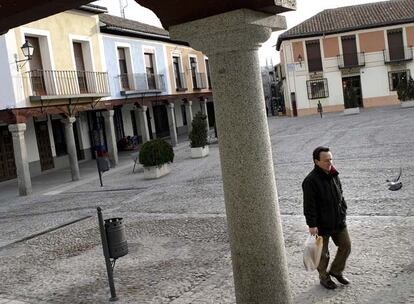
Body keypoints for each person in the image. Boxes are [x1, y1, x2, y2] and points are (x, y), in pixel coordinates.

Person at [302, 146, 351, 289]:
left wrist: (343, 211)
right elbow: (309, 206)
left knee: (346, 246)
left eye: (331, 159)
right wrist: (312, 225)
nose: (330, 162)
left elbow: (340, 194)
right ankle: (324, 277)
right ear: (316, 161)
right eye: (326, 160)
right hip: (321, 225)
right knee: (323, 255)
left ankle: (336, 271)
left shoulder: (334, 173)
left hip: (338, 220)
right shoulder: (310, 181)